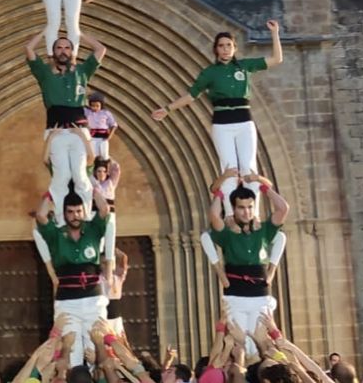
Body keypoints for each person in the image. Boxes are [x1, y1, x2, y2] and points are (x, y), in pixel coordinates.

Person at [152, 21, 283, 214]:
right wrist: (168, 108)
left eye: (228, 45)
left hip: (244, 120)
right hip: (222, 123)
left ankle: (253, 215)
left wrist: (275, 33)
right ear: (216, 50)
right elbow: (191, 95)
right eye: (221, 46)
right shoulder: (210, 73)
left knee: (248, 168)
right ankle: (231, 214)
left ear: (234, 48)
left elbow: (276, 59)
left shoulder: (244, 66)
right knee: (229, 169)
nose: (225, 49)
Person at [205, 173, 289, 357]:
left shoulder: (264, 230)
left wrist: (262, 185)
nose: (246, 212)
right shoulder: (227, 233)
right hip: (235, 293)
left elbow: (283, 208)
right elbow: (213, 215)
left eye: (250, 207)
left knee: (262, 342)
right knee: (239, 342)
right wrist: (219, 195)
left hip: (259, 293)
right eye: (241, 208)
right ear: (233, 209)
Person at [26, 29, 107, 215]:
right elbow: (29, 49)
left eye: (67, 48)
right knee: (60, 177)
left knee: (81, 176)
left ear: (73, 51)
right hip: (56, 129)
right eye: (59, 47)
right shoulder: (44, 73)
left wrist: (79, 35)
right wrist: (43, 33)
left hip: (79, 129)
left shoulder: (81, 71)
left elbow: (101, 50)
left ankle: (84, 216)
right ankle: (63, 220)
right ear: (53, 52)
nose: (63, 51)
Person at [33, 189, 111, 367]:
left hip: (94, 301)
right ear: (65, 213)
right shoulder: (56, 234)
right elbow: (41, 215)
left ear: (84, 211)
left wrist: (91, 189)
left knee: (96, 353)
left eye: (78, 211)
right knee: (71, 355)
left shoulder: (94, 229)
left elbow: (104, 209)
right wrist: (51, 192)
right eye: (70, 212)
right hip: (68, 303)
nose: (75, 216)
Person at [92, 158, 120, 264]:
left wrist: (106, 156)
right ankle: (95, 264)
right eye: (99, 171)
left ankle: (110, 267)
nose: (101, 174)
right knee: (98, 240)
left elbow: (116, 169)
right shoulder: (92, 183)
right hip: (96, 213)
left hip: (110, 213)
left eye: (104, 171)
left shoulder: (110, 183)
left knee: (110, 237)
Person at [104, 248, 129, 337]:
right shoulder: (102, 277)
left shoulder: (119, 278)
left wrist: (112, 248)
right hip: (104, 310)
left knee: (118, 338)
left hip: (115, 312)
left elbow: (124, 258)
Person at [85, 93, 118, 160]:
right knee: (94, 155)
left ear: (101, 105)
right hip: (93, 136)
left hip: (104, 137)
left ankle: (107, 166)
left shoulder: (106, 113)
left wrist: (110, 136)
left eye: (97, 106)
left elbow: (113, 125)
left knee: (104, 155)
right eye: (93, 106)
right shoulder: (88, 112)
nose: (95, 108)